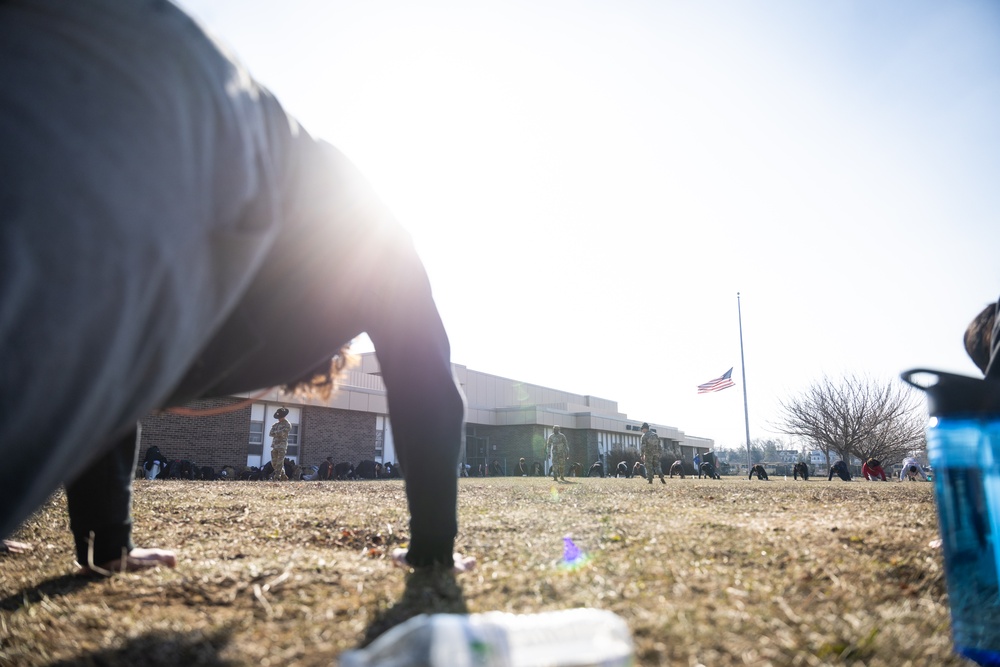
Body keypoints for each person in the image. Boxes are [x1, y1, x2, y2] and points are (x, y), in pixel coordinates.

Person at [0, 1, 468, 573]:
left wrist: (110, 547)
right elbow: (426, 373)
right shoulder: (362, 230)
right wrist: (433, 551)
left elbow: (112, 370)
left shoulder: (196, 300)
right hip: (177, 83)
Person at [268, 408, 292, 481]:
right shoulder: (276, 425)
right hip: (275, 445)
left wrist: (276, 433)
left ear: (283, 416)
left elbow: (283, 433)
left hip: (282, 446)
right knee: (274, 463)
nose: (279, 419)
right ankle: (283, 476)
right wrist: (277, 433)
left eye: (280, 417)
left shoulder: (287, 424)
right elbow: (270, 433)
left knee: (280, 462)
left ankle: (277, 477)